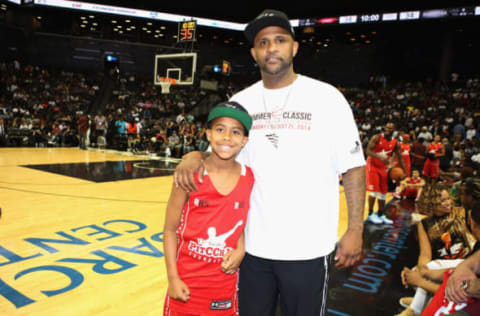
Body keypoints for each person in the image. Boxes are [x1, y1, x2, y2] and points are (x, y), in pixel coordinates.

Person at [174, 9, 366, 316]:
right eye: (263, 42)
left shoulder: (327, 98)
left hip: (308, 249)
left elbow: (354, 167)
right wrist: (193, 155)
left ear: (294, 48)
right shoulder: (242, 101)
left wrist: (356, 227)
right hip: (251, 250)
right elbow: (221, 152)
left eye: (280, 40)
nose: (271, 48)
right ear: (254, 53)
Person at [163, 101, 254, 316]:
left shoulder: (249, 178)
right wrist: (173, 278)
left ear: (244, 140)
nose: (226, 137)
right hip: (186, 284)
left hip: (223, 287)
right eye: (220, 129)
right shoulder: (189, 176)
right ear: (208, 134)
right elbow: (169, 230)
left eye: (235, 132)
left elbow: (237, 221)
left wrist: (241, 248)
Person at [396, 184, 474, 316]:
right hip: (441, 263)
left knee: (430, 268)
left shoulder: (462, 213)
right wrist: (422, 269)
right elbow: (425, 254)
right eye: (443, 201)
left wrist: (426, 272)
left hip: (464, 262)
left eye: (448, 198)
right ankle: (423, 301)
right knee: (418, 270)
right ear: (431, 203)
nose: (448, 203)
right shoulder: (424, 223)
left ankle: (414, 309)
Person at [365, 122, 406, 224]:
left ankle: (380, 214)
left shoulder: (395, 142)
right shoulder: (377, 137)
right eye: (387, 127)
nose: (387, 129)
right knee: (374, 191)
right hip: (373, 166)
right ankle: (370, 214)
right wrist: (380, 157)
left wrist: (405, 171)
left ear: (394, 130)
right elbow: (368, 151)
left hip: (383, 167)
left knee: (383, 192)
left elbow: (400, 157)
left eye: (390, 128)